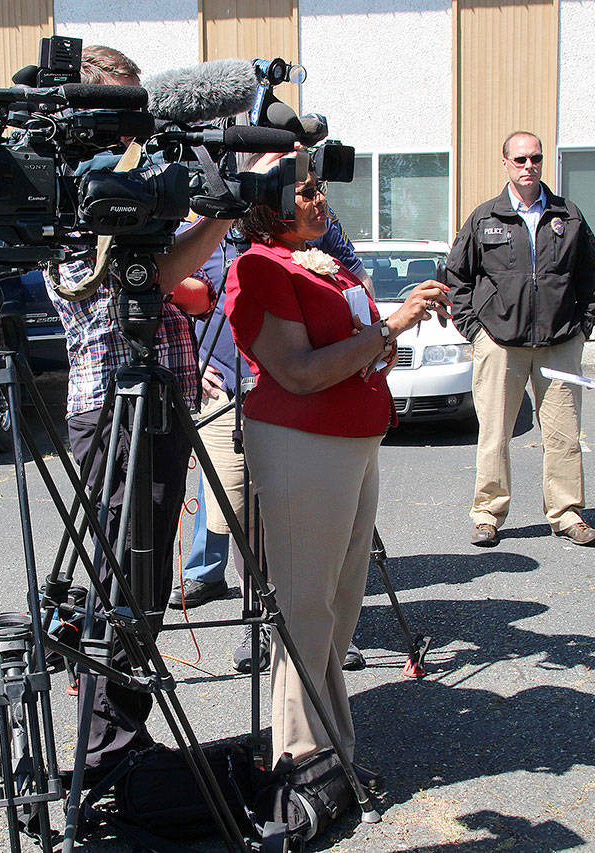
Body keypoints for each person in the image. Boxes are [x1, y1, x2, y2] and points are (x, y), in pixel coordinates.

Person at [49, 45, 285, 776]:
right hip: (112, 407)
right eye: (118, 110)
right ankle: (105, 747)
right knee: (124, 580)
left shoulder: (134, 177)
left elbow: (173, 281)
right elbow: (144, 277)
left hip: (159, 398)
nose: (133, 126)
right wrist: (220, 215)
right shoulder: (69, 191)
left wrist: (215, 198)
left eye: (137, 109)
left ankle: (122, 733)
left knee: (146, 583)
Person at [225, 167, 446, 767]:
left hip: (353, 439)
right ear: (268, 204)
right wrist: (388, 328)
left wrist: (386, 335)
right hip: (301, 441)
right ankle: (301, 756)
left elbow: (361, 351)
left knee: (342, 599)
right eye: (305, 190)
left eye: (319, 186)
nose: (320, 198)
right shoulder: (260, 267)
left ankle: (328, 743)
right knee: (306, 605)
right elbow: (299, 372)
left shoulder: (326, 263)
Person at [171, 210, 373, 672]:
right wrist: (192, 361)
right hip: (226, 392)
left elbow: (355, 281)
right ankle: (258, 618)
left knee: (312, 515)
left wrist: (363, 335)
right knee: (243, 519)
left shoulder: (311, 224)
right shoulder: (200, 228)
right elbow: (167, 298)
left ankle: (324, 629)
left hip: (299, 395)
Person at [447, 131, 595, 548]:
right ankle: (488, 514)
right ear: (505, 163)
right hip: (500, 343)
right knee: (494, 435)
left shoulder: (568, 216)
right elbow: (458, 277)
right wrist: (475, 331)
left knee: (564, 435)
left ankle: (567, 514)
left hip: (560, 341)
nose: (528, 166)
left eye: (535, 158)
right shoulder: (485, 218)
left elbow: (591, 273)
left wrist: (583, 326)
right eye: (520, 159)